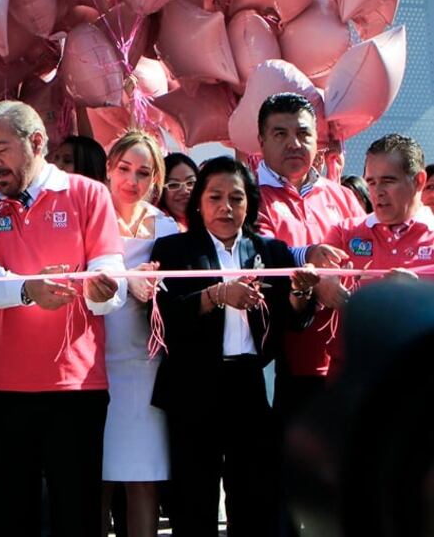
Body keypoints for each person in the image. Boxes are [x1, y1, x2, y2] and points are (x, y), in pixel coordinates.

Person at [0, 100, 126, 537]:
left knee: (78, 515)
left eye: (2, 150)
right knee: (10, 517)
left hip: (74, 386)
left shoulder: (89, 194)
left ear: (36, 143)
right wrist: (28, 289)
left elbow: (113, 276)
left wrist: (103, 289)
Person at [149, 156, 319, 537]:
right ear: (199, 202)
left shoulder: (270, 251)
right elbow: (163, 318)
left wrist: (300, 294)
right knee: (193, 501)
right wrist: (217, 294)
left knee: (255, 498)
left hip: (249, 385)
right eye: (215, 197)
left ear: (249, 203)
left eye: (236, 198)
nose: (226, 207)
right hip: (193, 385)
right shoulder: (174, 249)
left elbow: (292, 321)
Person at [252, 93, 365, 417]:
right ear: (261, 140)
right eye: (280, 134)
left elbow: (366, 256)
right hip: (281, 363)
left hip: (345, 360)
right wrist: (315, 279)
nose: (294, 144)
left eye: (303, 134)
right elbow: (261, 256)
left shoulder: (342, 197)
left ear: (318, 138)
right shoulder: (250, 197)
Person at [100, 131, 177, 537]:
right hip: (94, 361)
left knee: (142, 477)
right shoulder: (90, 214)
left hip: (146, 362)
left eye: (144, 172)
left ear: (156, 180)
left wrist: (155, 289)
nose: (132, 180)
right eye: (125, 168)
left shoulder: (166, 226)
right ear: (109, 168)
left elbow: (178, 290)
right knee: (97, 479)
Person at [309, 135, 434, 331]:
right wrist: (320, 285)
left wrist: (421, 297)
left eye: (388, 181)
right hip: (354, 360)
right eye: (372, 182)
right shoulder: (345, 232)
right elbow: (309, 291)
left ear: (419, 181)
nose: (378, 191)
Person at [159, 153, 198, 231]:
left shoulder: (211, 224)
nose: (184, 191)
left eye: (190, 183)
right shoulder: (154, 227)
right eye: (173, 185)